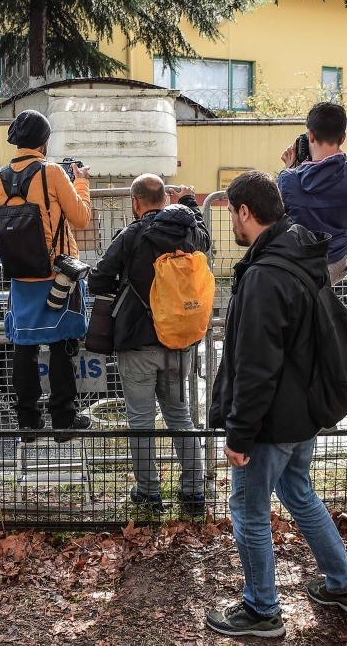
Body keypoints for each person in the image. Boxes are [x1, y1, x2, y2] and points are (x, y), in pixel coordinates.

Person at [205, 171, 347, 639]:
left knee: (248, 509)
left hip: (272, 422)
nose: (232, 224)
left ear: (244, 212)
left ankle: (262, 610)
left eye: (231, 214)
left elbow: (256, 366)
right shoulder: (300, 253)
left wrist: (239, 434)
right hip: (302, 414)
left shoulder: (265, 275)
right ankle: (343, 584)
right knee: (298, 492)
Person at [87, 174, 209, 514]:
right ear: (164, 198)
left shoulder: (131, 234)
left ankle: (149, 494)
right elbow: (206, 240)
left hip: (137, 342)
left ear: (135, 203)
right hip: (180, 342)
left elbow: (99, 278)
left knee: (140, 421)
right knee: (179, 417)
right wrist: (188, 204)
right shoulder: (187, 232)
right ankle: (194, 493)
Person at [0, 110, 93, 441]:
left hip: (20, 273)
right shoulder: (51, 172)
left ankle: (28, 422)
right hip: (57, 273)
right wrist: (81, 181)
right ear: (45, 142)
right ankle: (63, 419)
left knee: (23, 346)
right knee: (61, 345)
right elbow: (81, 218)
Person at [277, 102, 347, 285]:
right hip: (336, 262)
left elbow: (282, 210)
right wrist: (346, 161)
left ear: (311, 135)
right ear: (343, 138)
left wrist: (290, 168)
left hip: (301, 264)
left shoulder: (287, 179)